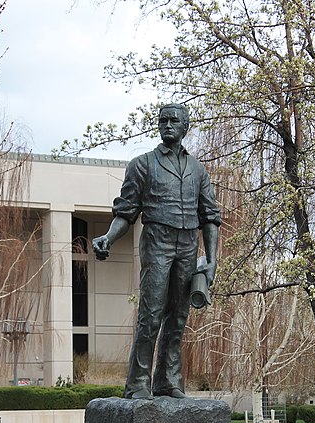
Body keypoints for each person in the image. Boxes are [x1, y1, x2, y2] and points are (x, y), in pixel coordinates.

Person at [92, 104, 221, 399]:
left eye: (174, 120)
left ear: (185, 126)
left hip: (188, 244)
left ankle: (168, 381)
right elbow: (126, 213)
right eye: (162, 120)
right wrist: (109, 238)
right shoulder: (142, 164)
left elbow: (210, 217)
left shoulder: (198, 170)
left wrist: (212, 260)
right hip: (157, 240)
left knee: (178, 316)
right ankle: (138, 383)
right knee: (150, 315)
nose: (167, 124)